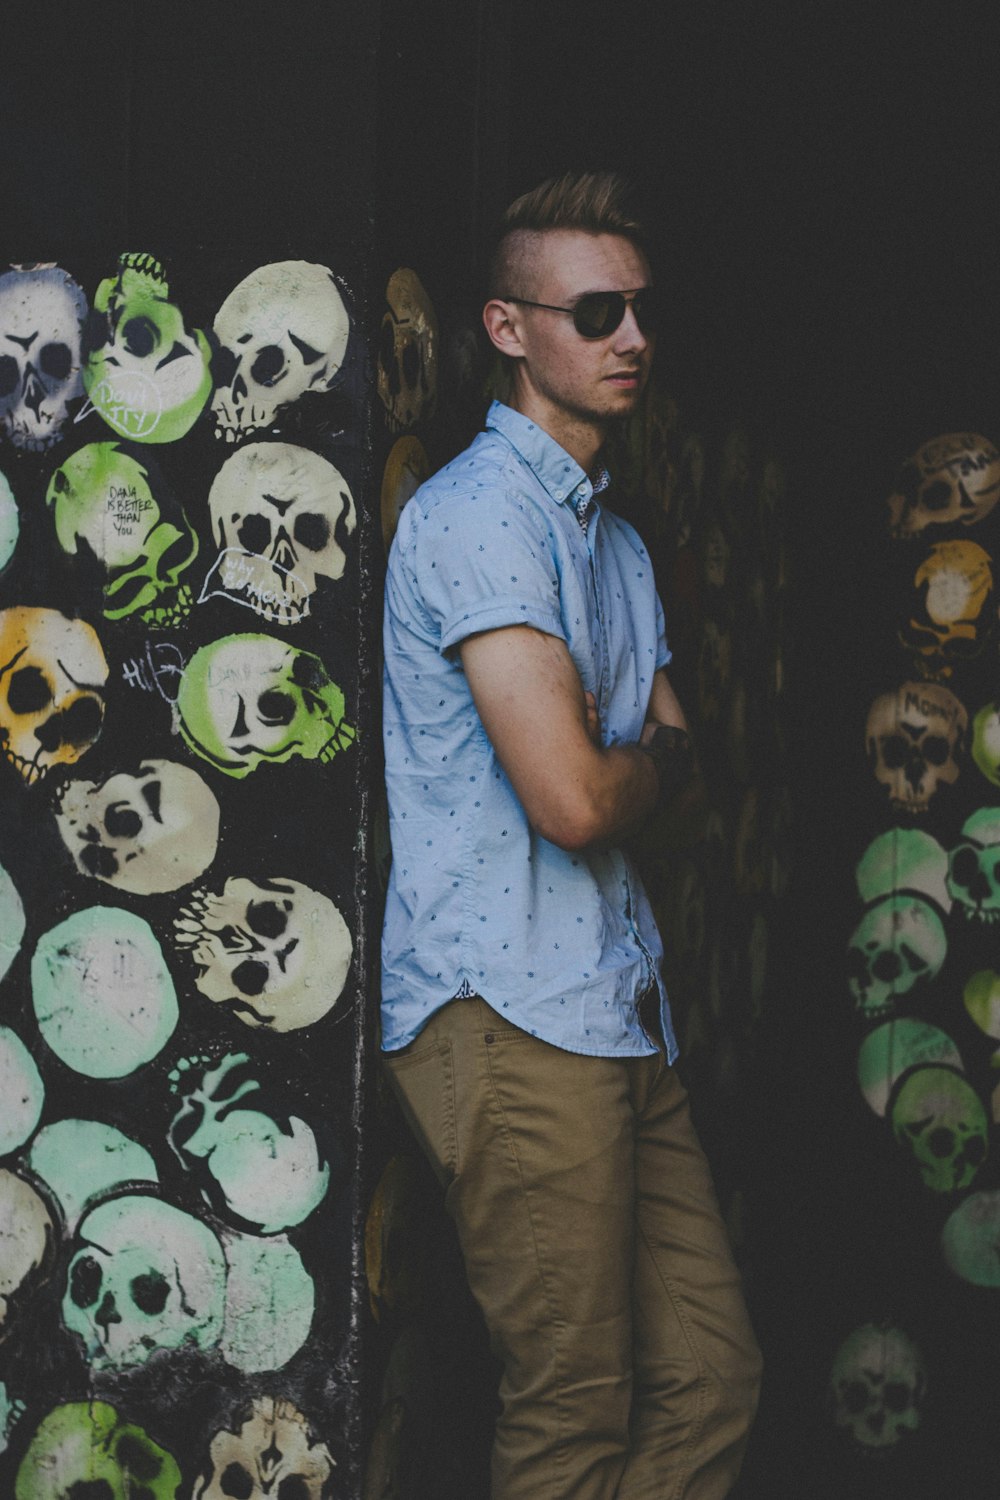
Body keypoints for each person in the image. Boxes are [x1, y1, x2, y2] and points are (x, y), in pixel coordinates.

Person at [380, 170, 761, 1499]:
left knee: (714, 1379)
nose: (631, 339)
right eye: (595, 310)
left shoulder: (616, 547)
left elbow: (679, 770)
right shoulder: (483, 519)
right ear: (506, 328)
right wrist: (636, 761)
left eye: (640, 310)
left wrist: (639, 764)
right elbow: (581, 800)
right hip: (506, 1013)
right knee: (572, 1414)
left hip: (613, 1003)